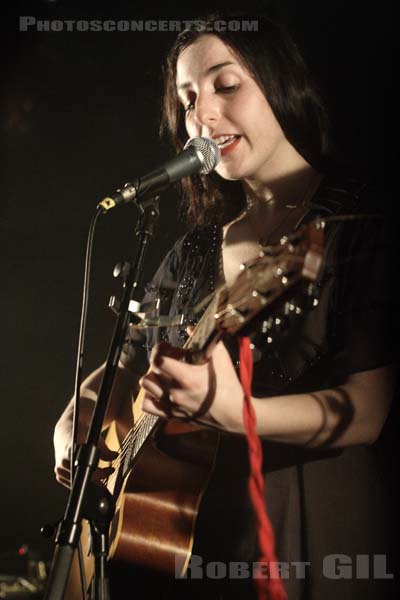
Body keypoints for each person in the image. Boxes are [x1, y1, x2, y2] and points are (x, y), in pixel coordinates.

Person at [53, 13, 398, 600]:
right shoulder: (194, 250)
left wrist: (239, 416)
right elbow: (127, 361)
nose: (203, 115)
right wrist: (75, 421)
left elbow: (367, 410)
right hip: (186, 546)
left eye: (225, 84)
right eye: (188, 99)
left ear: (282, 82)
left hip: (308, 538)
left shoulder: (353, 225)